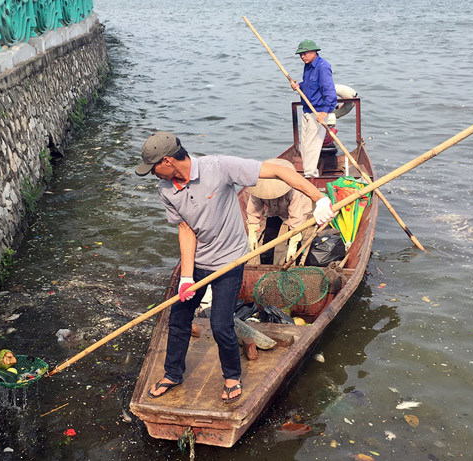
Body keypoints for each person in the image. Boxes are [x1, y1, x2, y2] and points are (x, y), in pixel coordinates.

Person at [135, 131, 334, 403]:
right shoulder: (166, 190)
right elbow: (186, 230)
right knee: (178, 318)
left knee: (220, 323)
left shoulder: (218, 167)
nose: (152, 174)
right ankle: (173, 373)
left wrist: (318, 198)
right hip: (198, 262)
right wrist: (185, 277)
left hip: (231, 260)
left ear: (167, 161)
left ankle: (231, 376)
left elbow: (277, 171)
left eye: (153, 168)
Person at [245, 158, 313, 265]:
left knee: (295, 241)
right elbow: (254, 209)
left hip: (298, 209)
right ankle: (266, 266)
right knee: (268, 239)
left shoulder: (293, 192)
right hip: (274, 209)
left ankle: (297, 265)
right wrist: (252, 230)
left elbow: (296, 217)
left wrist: (293, 242)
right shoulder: (258, 189)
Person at [290, 39, 337, 179]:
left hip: (317, 112)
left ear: (314, 52)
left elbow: (330, 92)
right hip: (307, 110)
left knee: (312, 147)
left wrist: (324, 112)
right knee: (304, 147)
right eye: (300, 54)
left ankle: (311, 176)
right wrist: (299, 86)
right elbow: (310, 85)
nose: (302, 57)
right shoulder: (308, 66)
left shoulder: (323, 67)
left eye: (305, 53)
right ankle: (308, 173)